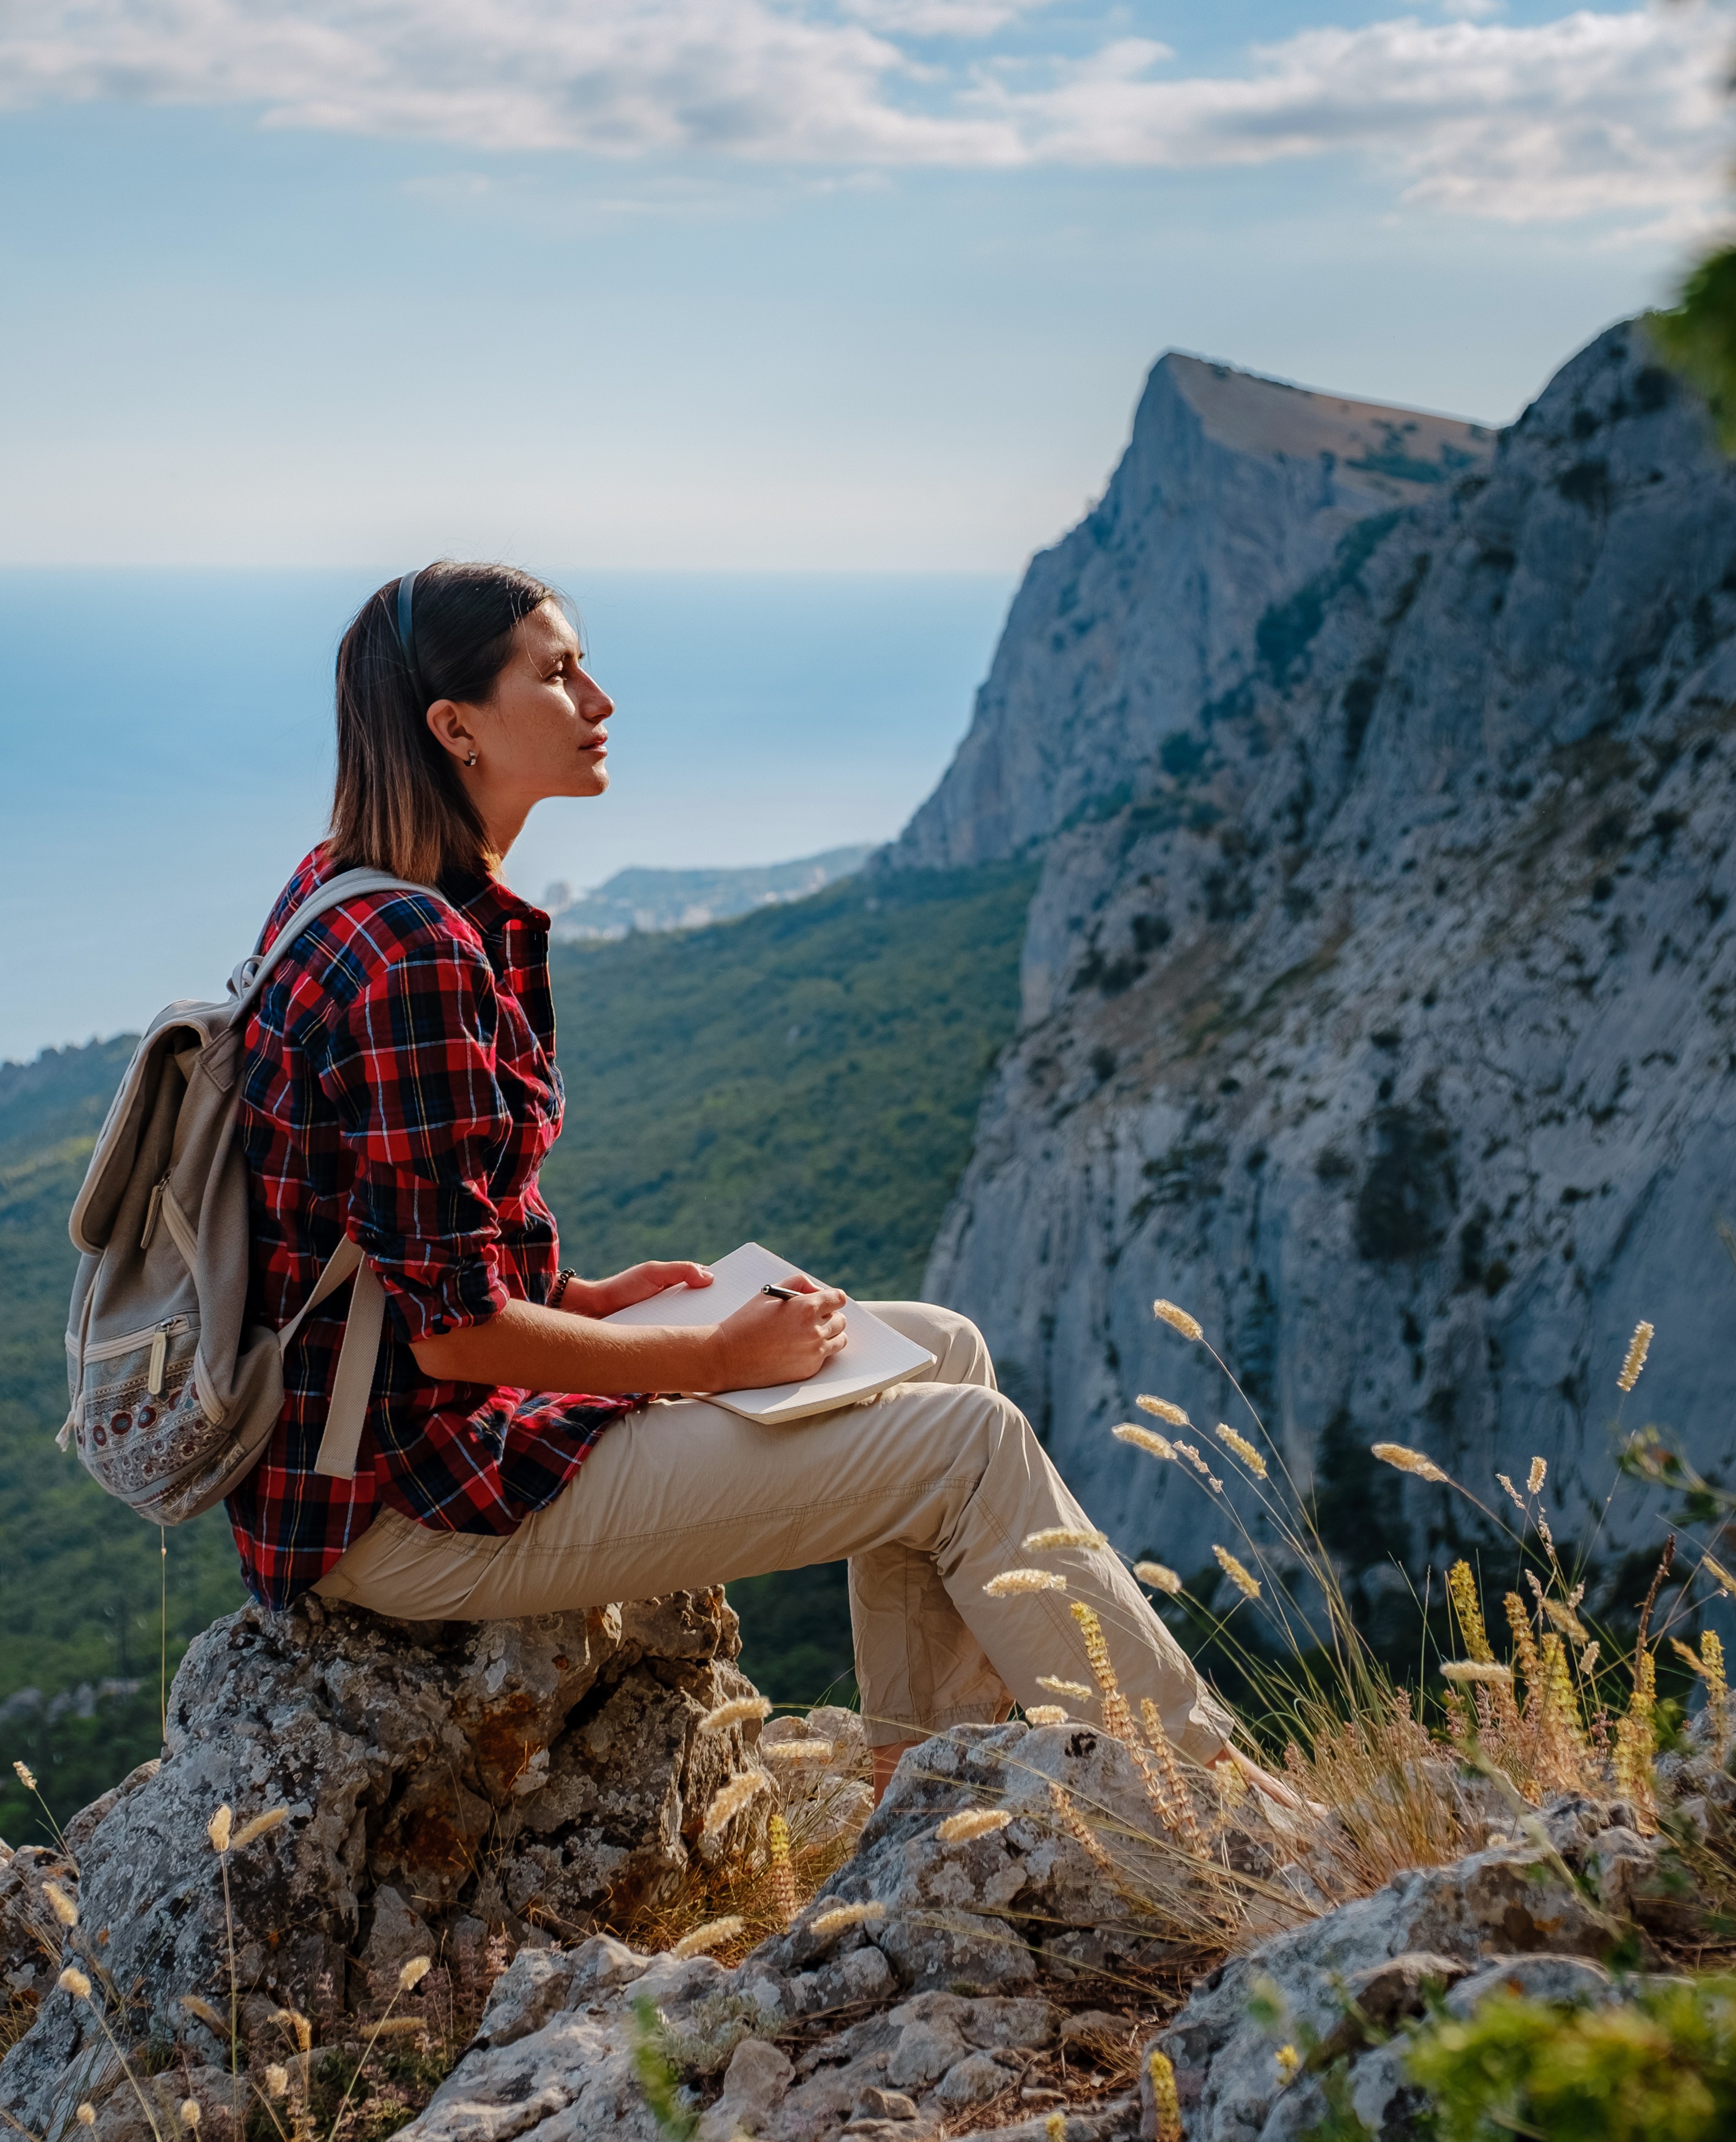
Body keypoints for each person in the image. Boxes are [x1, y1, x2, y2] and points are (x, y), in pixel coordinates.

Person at [223, 559, 1232, 1794]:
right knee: (964, 1446)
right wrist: (713, 1360)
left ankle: (931, 1794)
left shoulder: (344, 883)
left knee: (944, 1349)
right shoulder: (416, 953)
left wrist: (585, 1301)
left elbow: (395, 1244)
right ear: (454, 727)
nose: (598, 697)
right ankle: (1197, 1815)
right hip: (402, 1501)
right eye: (555, 673)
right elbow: (450, 1340)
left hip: (418, 1433)